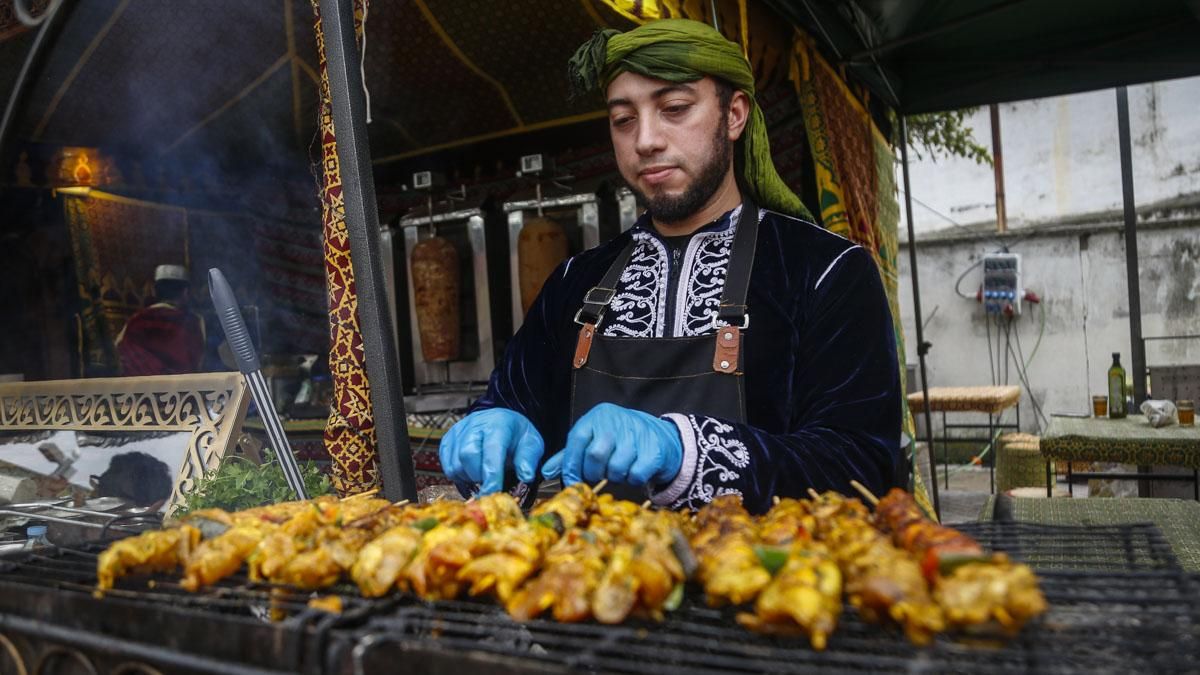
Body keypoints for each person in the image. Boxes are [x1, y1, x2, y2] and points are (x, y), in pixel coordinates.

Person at [439, 19, 902, 514]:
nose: (646, 140)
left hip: (766, 581)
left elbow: (860, 467)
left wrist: (685, 451)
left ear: (735, 115)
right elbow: (516, 408)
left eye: (674, 108)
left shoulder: (826, 271)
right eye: (623, 120)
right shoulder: (575, 282)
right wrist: (495, 431)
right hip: (593, 581)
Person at [116, 264, 205, 376]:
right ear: (186, 292)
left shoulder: (134, 321)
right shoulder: (194, 323)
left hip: (139, 391)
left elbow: (119, 357)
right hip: (182, 390)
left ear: (154, 291)